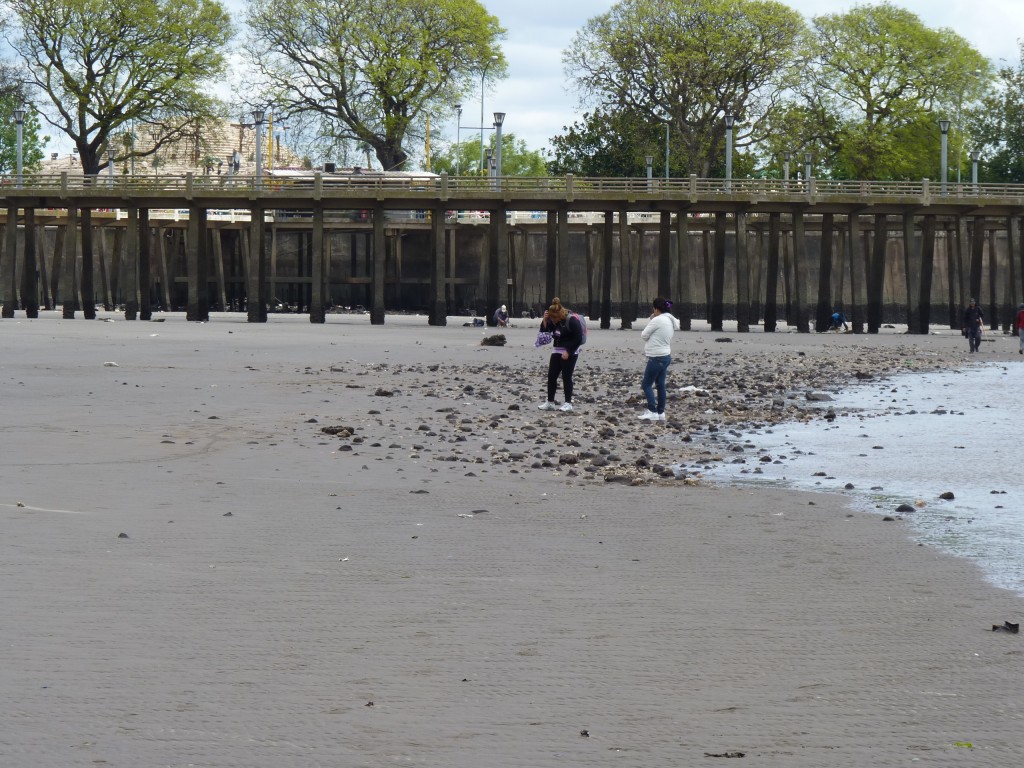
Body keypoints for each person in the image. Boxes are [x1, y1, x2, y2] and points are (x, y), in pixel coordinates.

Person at [537, 297, 584, 412]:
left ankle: (568, 403)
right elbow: (545, 333)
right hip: (557, 349)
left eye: (554, 319)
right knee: (551, 376)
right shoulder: (554, 320)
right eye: (551, 319)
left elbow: (578, 338)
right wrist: (544, 321)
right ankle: (550, 402)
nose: (553, 321)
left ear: (559, 315)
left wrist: (568, 351)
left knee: (566, 377)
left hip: (571, 351)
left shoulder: (572, 320)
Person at [639, 297, 680, 421]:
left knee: (646, 384)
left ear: (656, 309)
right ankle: (661, 412)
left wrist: (652, 320)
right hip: (666, 356)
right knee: (660, 385)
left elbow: (644, 335)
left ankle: (652, 411)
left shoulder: (658, 321)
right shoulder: (671, 320)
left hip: (656, 357)